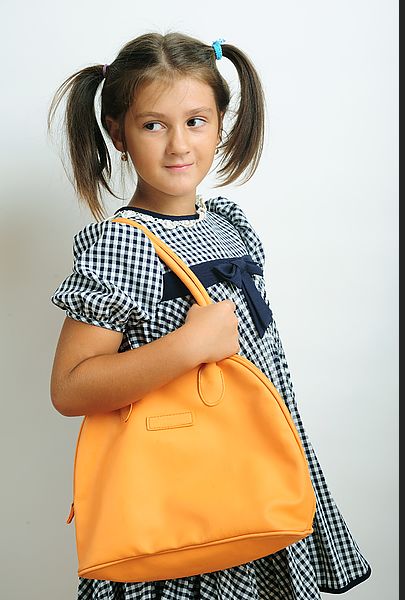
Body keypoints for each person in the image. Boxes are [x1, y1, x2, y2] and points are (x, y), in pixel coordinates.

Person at [48, 31, 371, 600]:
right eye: (153, 125)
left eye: (196, 120)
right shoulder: (121, 245)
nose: (178, 144)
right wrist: (186, 347)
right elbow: (71, 388)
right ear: (118, 134)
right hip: (184, 507)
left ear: (221, 124)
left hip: (256, 481)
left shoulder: (231, 225)